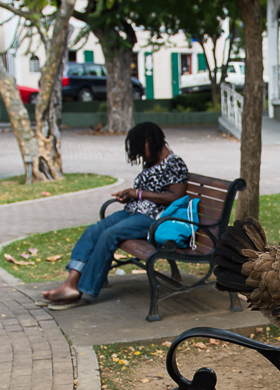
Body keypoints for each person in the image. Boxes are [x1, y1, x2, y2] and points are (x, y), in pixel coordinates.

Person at [41, 122, 188, 308]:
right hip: (133, 212)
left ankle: (84, 289)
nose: (140, 155)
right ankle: (71, 283)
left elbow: (176, 197)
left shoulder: (174, 163)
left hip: (154, 218)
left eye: (140, 149)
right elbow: (146, 191)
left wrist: (138, 194)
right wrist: (130, 195)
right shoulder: (152, 163)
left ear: (150, 141)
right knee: (94, 230)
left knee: (110, 234)